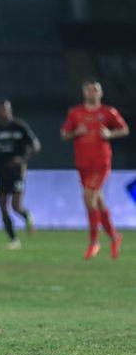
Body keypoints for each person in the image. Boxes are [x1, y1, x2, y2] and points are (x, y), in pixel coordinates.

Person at [60, 78, 129, 260]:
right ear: (84, 92)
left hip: (101, 162)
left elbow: (124, 129)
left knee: (88, 197)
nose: (93, 93)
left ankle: (94, 242)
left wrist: (110, 133)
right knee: (98, 201)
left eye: (96, 90)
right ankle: (114, 237)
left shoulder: (108, 112)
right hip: (83, 163)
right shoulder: (75, 113)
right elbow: (64, 134)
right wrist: (77, 133)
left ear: (101, 92)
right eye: (90, 90)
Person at [0, 99, 41, 249]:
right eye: (1, 110)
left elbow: (35, 145)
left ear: (10, 110)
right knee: (2, 206)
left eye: (6, 109)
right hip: (0, 170)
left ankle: (27, 216)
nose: (4, 112)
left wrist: (22, 159)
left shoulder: (19, 127)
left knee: (15, 206)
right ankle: (14, 240)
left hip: (17, 171)